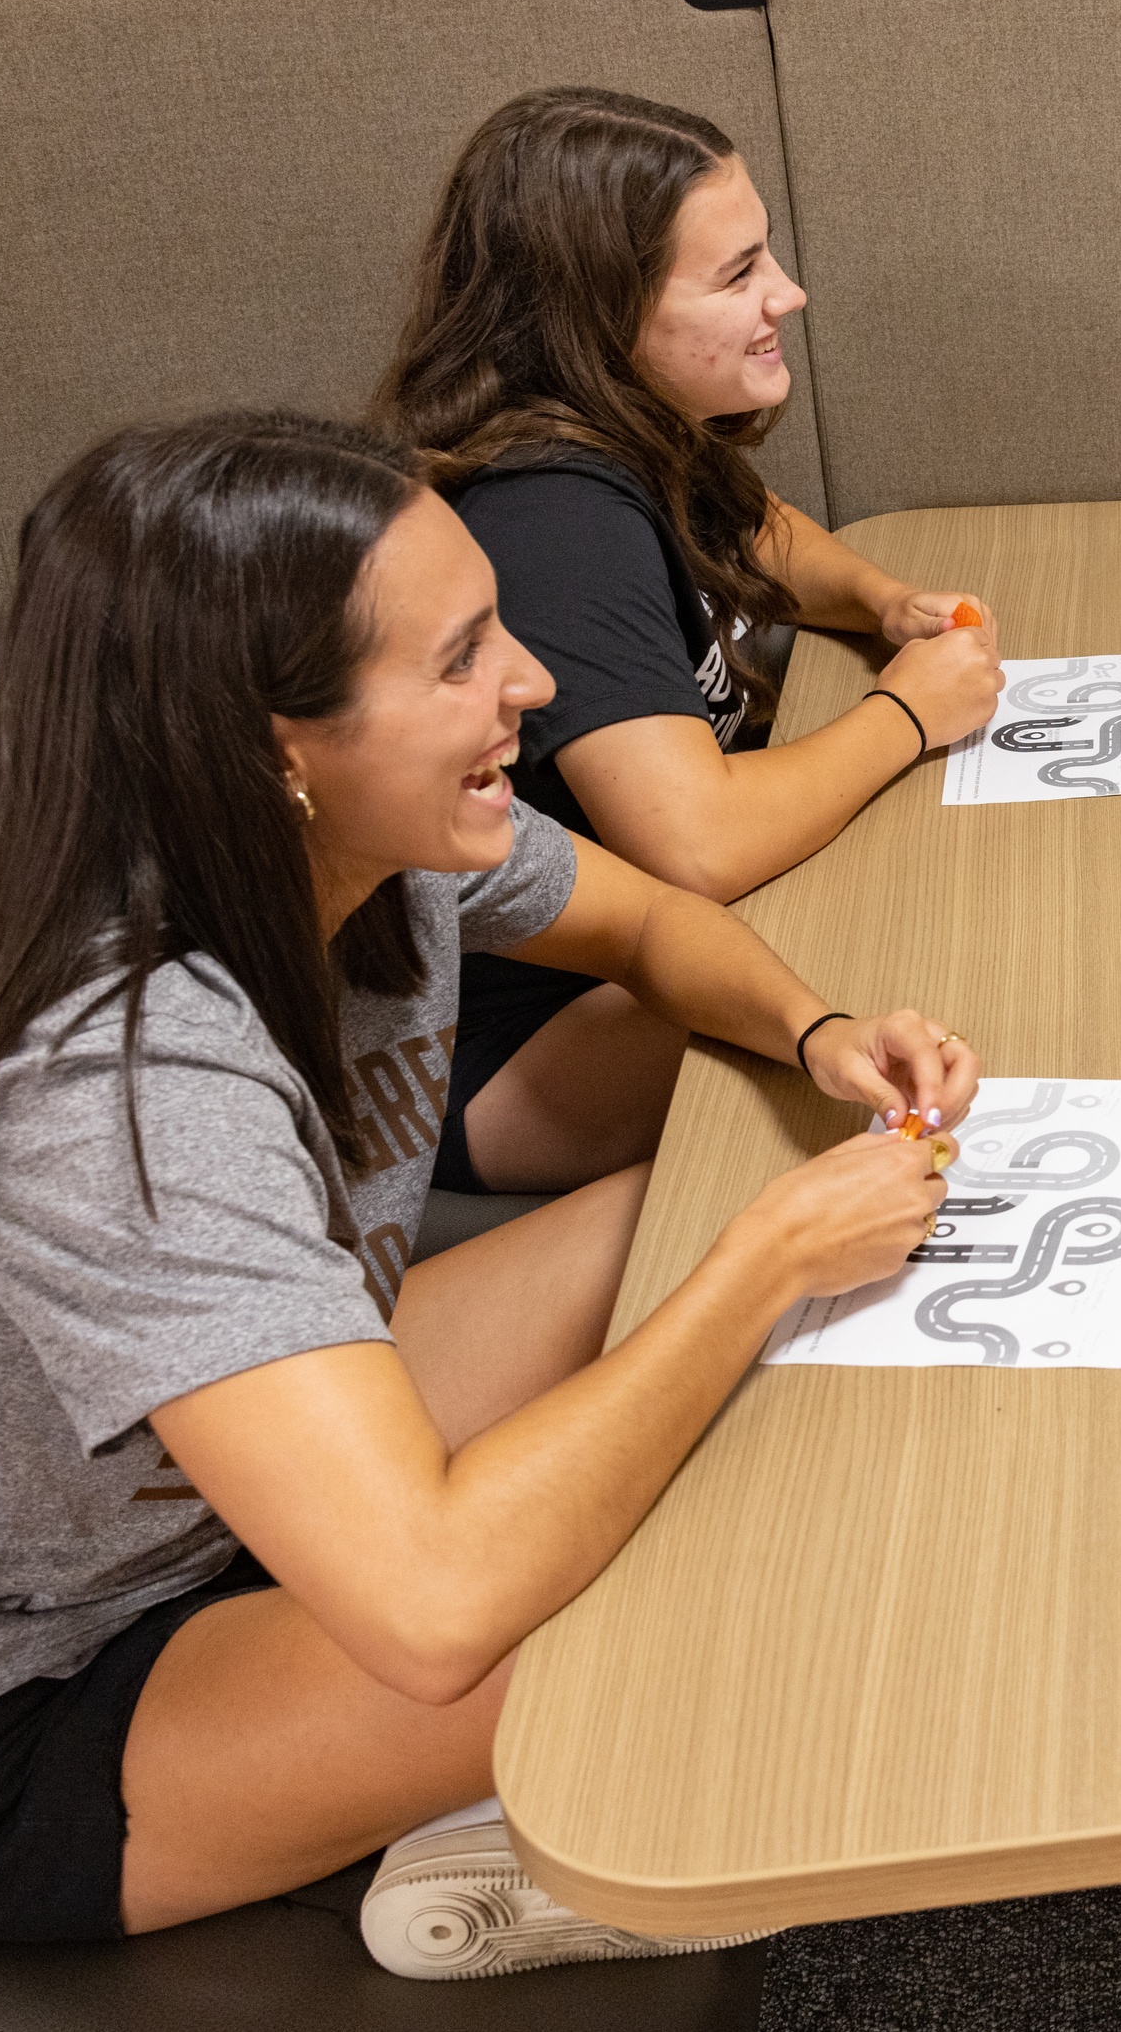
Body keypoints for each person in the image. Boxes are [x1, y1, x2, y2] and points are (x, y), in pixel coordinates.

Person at [0, 413, 982, 1977]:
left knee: (702, 1234)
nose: (534, 686)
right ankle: (515, 1838)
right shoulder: (115, 1078)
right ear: (271, 747)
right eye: (460, 660)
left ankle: (459, 1803)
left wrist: (814, 1035)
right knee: (723, 1546)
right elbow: (430, 1604)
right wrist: (767, 1259)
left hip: (191, 1493)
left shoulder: (374, 845)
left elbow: (650, 927)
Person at [376, 85, 1004, 1201]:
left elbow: (756, 528)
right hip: (516, 1049)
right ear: (600, 314)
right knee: (949, 990)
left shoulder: (632, 423)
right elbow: (695, 846)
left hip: (650, 946)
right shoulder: (552, 518)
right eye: (737, 275)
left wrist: (876, 597)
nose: (789, 293)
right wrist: (906, 712)